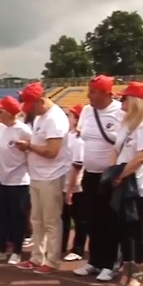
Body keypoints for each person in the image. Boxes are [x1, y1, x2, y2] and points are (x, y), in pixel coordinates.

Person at [108, 82, 143, 286]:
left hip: (138, 185)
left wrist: (120, 174)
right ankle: (127, 266)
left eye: (125, 98)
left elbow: (141, 156)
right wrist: (112, 172)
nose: (122, 101)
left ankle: (137, 270)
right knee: (123, 229)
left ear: (136, 101)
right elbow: (115, 150)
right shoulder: (126, 123)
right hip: (123, 182)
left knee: (135, 229)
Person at [73, 75, 125, 281]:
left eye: (93, 91)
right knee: (92, 219)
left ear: (106, 93)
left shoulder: (120, 112)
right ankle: (94, 260)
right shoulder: (87, 111)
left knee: (110, 220)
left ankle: (111, 263)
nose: (89, 95)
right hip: (90, 174)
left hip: (110, 176)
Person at [15, 82, 69, 274]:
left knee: (51, 220)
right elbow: (40, 144)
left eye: (32, 105)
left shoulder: (55, 118)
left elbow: (52, 151)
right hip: (37, 175)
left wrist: (29, 147)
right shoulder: (41, 117)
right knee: (36, 218)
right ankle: (37, 257)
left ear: (41, 100)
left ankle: (52, 260)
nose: (31, 110)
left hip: (51, 175)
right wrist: (29, 144)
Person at [0, 96, 31, 264]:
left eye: (0, 111)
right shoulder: (0, 129)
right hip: (1, 179)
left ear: (11, 113)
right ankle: (1, 249)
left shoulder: (23, 130)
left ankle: (17, 251)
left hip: (19, 180)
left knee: (17, 217)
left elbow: (30, 155)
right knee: (0, 216)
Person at [62, 104, 86, 262]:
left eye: (70, 115)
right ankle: (61, 245)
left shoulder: (80, 140)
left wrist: (70, 188)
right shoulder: (68, 135)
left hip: (77, 185)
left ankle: (78, 248)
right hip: (65, 181)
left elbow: (78, 166)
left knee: (79, 218)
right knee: (63, 217)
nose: (68, 118)